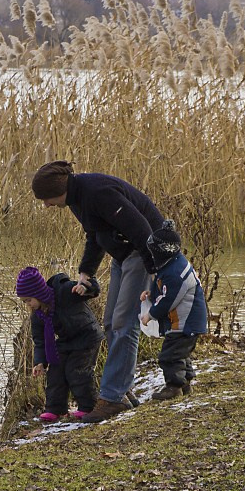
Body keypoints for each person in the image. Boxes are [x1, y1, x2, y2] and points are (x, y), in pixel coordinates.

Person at [30, 160, 165, 423]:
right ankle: (122, 390)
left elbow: (143, 230)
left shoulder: (98, 192)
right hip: (123, 255)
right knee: (110, 322)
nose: (46, 205)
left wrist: (155, 271)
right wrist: (85, 273)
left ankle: (112, 398)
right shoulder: (77, 199)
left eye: (46, 199)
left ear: (58, 189)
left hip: (142, 253)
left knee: (124, 324)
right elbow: (95, 235)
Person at [15, 266, 101, 422]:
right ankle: (55, 409)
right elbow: (40, 341)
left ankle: (88, 406)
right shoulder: (38, 315)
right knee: (56, 370)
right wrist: (40, 362)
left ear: (38, 294)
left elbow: (94, 288)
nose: (27, 304)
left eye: (29, 300)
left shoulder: (64, 291)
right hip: (66, 340)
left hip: (87, 336)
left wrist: (86, 288)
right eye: (24, 301)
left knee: (76, 370)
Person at [141, 220, 208, 400]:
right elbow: (164, 289)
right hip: (185, 322)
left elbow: (169, 299)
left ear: (160, 252)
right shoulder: (172, 265)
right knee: (180, 354)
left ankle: (174, 387)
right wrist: (150, 294)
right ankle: (185, 384)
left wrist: (151, 314)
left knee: (170, 356)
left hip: (186, 323)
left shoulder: (175, 272)